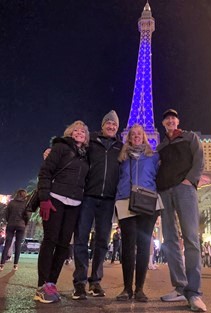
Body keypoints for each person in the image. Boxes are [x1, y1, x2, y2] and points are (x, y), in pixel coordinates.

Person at [156, 109, 206, 312]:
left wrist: (189, 181)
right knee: (169, 240)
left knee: (191, 238)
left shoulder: (189, 137)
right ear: (163, 123)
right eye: (167, 118)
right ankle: (180, 287)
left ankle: (194, 293)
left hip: (184, 190)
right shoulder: (160, 146)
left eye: (173, 118)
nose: (170, 120)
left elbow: (199, 160)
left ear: (177, 121)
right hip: (164, 192)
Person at [34, 120, 89, 304]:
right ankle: (41, 286)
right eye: (76, 130)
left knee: (64, 245)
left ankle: (51, 283)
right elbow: (46, 172)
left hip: (74, 204)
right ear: (70, 132)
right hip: (55, 199)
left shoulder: (85, 155)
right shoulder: (60, 147)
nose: (79, 132)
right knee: (50, 241)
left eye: (83, 130)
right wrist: (44, 198)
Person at [72, 111, 123, 300]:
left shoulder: (121, 147)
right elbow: (73, 146)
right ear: (102, 125)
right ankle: (79, 283)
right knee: (81, 239)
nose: (111, 126)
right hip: (88, 197)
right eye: (108, 123)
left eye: (114, 125)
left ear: (117, 128)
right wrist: (52, 150)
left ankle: (95, 281)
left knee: (102, 241)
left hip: (109, 200)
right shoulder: (90, 141)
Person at [115, 124, 160, 302]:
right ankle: (127, 289)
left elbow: (163, 176)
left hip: (146, 203)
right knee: (127, 246)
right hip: (125, 201)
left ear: (144, 136)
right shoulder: (121, 157)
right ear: (128, 137)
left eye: (139, 134)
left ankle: (139, 288)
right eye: (133, 134)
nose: (136, 136)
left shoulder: (153, 157)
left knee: (143, 247)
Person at [0, 189, 29, 271]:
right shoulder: (25, 204)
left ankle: (1, 264)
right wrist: (25, 223)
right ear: (24, 195)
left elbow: (6, 213)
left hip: (11, 224)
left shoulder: (11, 203)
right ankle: (15, 265)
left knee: (7, 244)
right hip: (21, 225)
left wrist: (9, 220)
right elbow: (27, 215)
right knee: (18, 245)